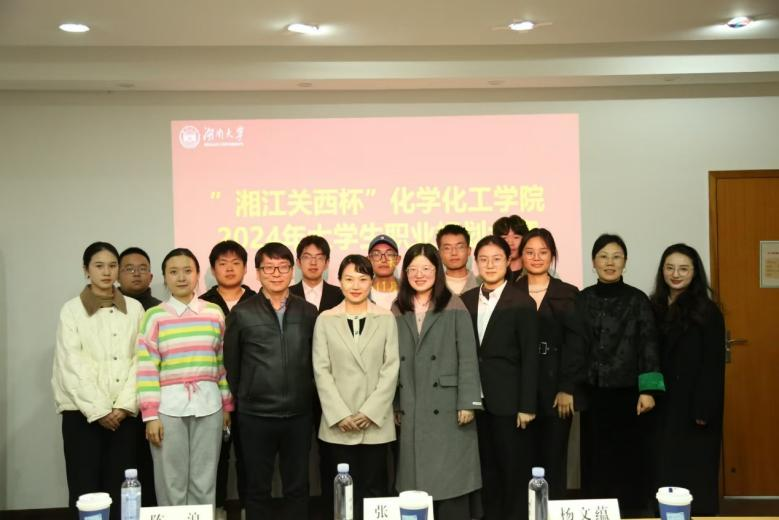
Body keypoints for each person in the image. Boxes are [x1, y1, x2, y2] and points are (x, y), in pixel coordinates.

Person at [223, 242, 318, 520]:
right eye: (269, 268)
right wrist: (247, 397)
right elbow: (232, 364)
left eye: (283, 267)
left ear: (292, 270)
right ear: (258, 272)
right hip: (256, 415)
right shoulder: (242, 313)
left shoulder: (308, 311)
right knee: (257, 487)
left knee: (297, 486)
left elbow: (317, 360)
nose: (276, 274)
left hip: (299, 413)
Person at [52, 241, 144, 520]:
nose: (106, 272)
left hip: (124, 415)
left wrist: (124, 405)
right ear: (86, 270)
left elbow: (141, 359)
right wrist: (101, 410)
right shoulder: (71, 310)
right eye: (99, 266)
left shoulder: (135, 308)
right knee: (85, 489)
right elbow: (71, 363)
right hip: (82, 414)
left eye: (112, 265)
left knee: (123, 490)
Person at [137, 248, 234, 506]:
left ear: (197, 275)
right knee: (171, 481)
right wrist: (150, 416)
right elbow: (146, 367)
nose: (181, 277)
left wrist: (226, 405)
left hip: (210, 405)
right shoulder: (154, 316)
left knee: (205, 480)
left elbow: (221, 362)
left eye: (188, 271)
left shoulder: (214, 312)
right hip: (167, 409)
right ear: (164, 278)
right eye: (173, 272)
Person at [393, 244, 483, 520]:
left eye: (426, 268)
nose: (419, 274)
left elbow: (468, 356)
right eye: (413, 269)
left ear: (437, 271)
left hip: (447, 403)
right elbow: (391, 361)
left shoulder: (453, 304)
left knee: (450, 479)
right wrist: (395, 403)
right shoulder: (398, 308)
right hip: (411, 400)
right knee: (415, 481)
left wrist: (468, 402)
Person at [576, 234, 665, 516]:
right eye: (603, 256)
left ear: (625, 262)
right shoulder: (582, 299)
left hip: (628, 394)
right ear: (593, 262)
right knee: (595, 456)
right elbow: (574, 345)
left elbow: (649, 345)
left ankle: (629, 510)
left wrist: (648, 390)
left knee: (627, 456)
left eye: (616, 257)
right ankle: (596, 511)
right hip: (592, 392)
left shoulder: (637, 299)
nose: (610, 262)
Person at [313, 254, 399, 520]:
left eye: (362, 279)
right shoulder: (325, 319)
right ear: (339, 281)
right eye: (349, 279)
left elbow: (391, 368)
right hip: (339, 423)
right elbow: (321, 370)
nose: (355, 286)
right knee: (342, 492)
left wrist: (370, 412)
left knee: (374, 489)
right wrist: (340, 414)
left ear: (372, 281)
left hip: (374, 422)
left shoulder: (386, 318)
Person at [461, 236, 538, 520]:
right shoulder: (465, 301)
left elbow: (530, 357)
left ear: (508, 261)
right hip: (475, 401)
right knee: (484, 471)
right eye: (484, 259)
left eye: (496, 259)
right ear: (476, 263)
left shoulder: (522, 302)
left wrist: (527, 405)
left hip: (510, 403)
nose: (490, 265)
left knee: (512, 470)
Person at [650, 244, 725, 516]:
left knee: (694, 466)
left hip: (695, 402)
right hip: (661, 400)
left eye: (683, 269)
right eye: (670, 268)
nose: (676, 274)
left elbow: (713, 365)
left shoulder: (708, 311)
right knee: (663, 463)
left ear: (695, 272)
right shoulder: (654, 306)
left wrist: (704, 407)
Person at [515, 228, 586, 499]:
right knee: (521, 460)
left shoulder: (567, 293)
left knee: (553, 459)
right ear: (521, 256)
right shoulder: (511, 292)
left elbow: (577, 344)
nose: (536, 258)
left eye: (543, 252)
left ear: (552, 255)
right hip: (519, 390)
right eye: (530, 252)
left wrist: (568, 387)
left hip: (557, 390)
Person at [199, 240, 256, 518]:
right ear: (213, 269)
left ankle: (247, 508)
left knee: (249, 455)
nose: (230, 268)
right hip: (211, 391)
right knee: (214, 456)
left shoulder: (258, 301)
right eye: (223, 263)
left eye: (236, 263)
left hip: (250, 391)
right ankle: (217, 508)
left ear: (245, 268)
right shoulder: (202, 304)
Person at [118, 246, 161, 507]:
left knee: (152, 469)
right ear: (118, 274)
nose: (136, 273)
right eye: (129, 269)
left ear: (151, 276)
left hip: (152, 405)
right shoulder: (109, 308)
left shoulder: (160, 310)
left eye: (142, 268)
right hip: (118, 406)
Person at [290, 235, 345, 313]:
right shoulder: (287, 295)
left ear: (327, 263)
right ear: (298, 262)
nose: (313, 262)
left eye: (319, 257)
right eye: (307, 257)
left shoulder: (340, 295)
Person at [436, 224, 479, 295]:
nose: (454, 253)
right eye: (447, 248)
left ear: (469, 251)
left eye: (460, 247)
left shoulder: (482, 284)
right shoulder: (432, 287)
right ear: (439, 253)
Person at [368, 234, 402, 310]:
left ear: (397, 259)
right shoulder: (361, 292)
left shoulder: (409, 291)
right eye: (376, 254)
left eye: (389, 254)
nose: (383, 260)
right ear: (369, 260)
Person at [492, 215, 529, 282]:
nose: (510, 243)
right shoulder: (488, 274)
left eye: (516, 237)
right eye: (504, 238)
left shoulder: (533, 273)